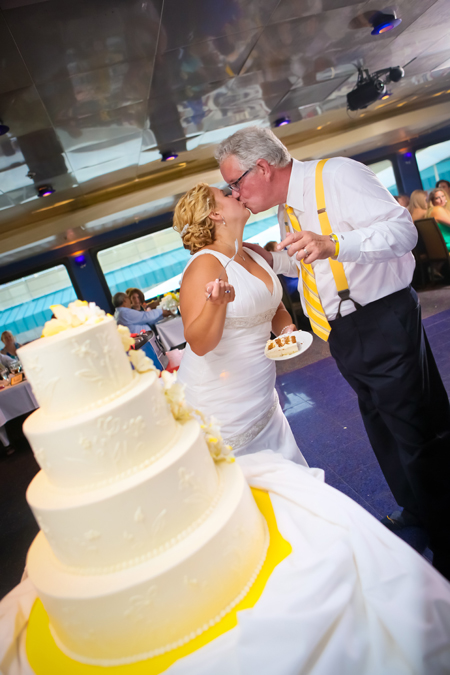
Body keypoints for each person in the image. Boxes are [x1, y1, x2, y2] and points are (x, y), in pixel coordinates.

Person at [216, 125, 450, 581]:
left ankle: (445, 530)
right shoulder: (288, 208)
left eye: (236, 182)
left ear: (262, 168)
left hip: (381, 319)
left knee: (417, 432)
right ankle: (417, 510)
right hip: (347, 333)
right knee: (383, 429)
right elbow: (310, 262)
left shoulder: (338, 176)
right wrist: (269, 257)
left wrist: (333, 243)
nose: (236, 193)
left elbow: (402, 232)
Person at [173, 182, 307, 465]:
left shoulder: (253, 253)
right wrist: (215, 306)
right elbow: (198, 343)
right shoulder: (203, 265)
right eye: (225, 194)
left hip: (260, 394)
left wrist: (286, 331)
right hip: (221, 402)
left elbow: (275, 307)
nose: (235, 193)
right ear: (215, 215)